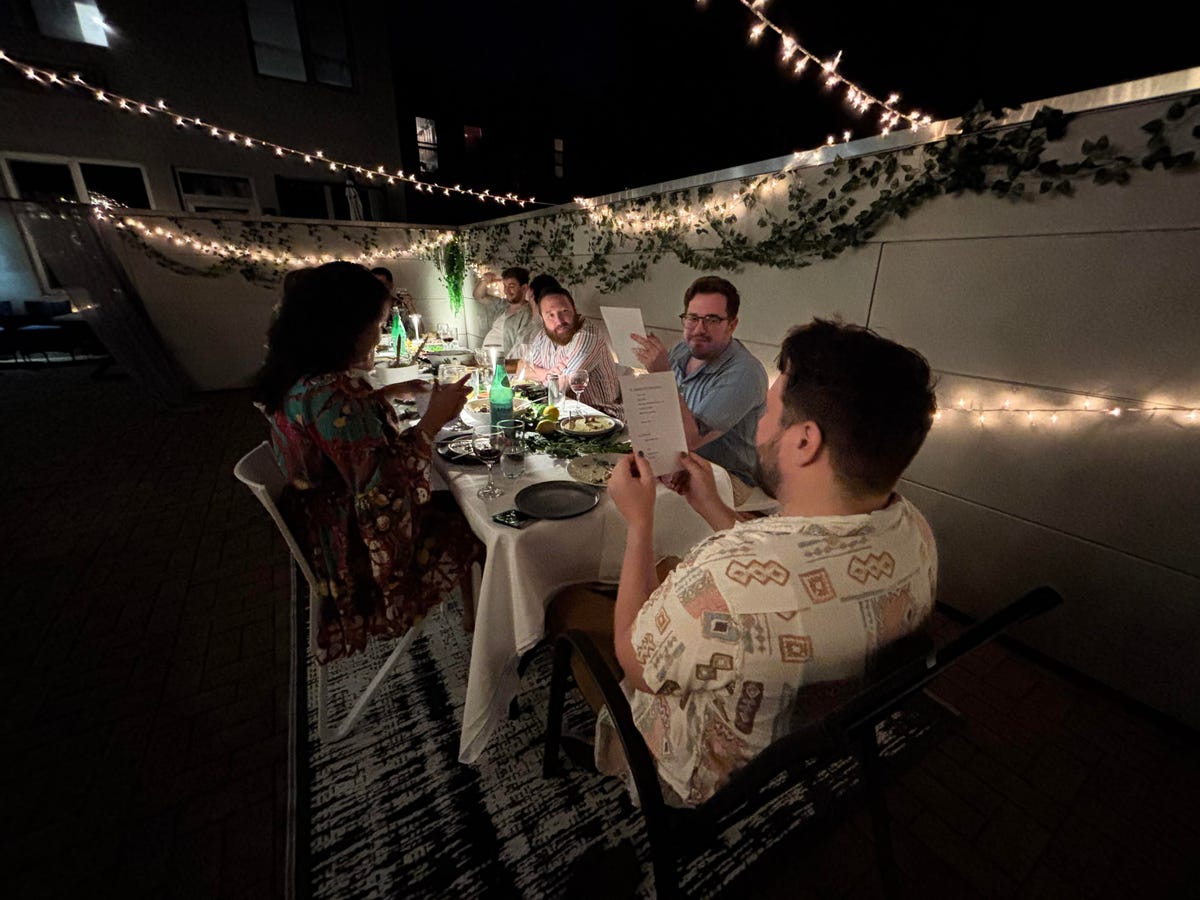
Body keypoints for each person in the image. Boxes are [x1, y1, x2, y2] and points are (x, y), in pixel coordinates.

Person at [551, 318, 938, 806]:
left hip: (709, 779)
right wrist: (712, 507)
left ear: (804, 442)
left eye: (770, 410)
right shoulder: (913, 528)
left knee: (567, 605)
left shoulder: (727, 575)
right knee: (673, 571)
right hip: (820, 738)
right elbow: (798, 570)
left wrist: (639, 521)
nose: (758, 422)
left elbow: (635, 662)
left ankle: (609, 749)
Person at [254, 261, 480, 662]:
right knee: (478, 521)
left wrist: (386, 393)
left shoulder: (301, 379)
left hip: (322, 525)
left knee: (456, 496)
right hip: (352, 550)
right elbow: (385, 494)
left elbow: (339, 432)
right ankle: (487, 632)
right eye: (378, 322)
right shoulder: (332, 396)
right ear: (346, 327)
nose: (381, 332)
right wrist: (432, 421)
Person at [630, 276, 767, 503]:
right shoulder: (683, 349)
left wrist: (663, 376)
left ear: (732, 325)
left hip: (727, 477)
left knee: (640, 501)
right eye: (692, 318)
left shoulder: (745, 374)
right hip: (679, 460)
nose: (699, 329)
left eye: (712, 320)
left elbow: (688, 439)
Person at [520, 285, 621, 416]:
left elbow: (559, 388)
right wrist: (548, 374)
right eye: (550, 315)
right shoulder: (544, 335)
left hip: (602, 416)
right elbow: (522, 368)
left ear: (574, 310)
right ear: (542, 318)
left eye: (565, 311)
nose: (559, 320)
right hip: (564, 413)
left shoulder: (587, 335)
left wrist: (540, 375)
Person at [473, 266, 535, 355]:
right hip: (485, 357)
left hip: (503, 361)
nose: (506, 291)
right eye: (505, 286)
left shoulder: (527, 313)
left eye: (511, 286)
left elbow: (521, 346)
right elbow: (479, 296)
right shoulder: (502, 305)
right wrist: (485, 281)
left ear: (524, 288)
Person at [370, 266, 417, 338]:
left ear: (391, 285)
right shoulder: (365, 306)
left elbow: (417, 332)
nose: (378, 288)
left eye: (382, 284)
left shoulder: (399, 305)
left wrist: (410, 306)